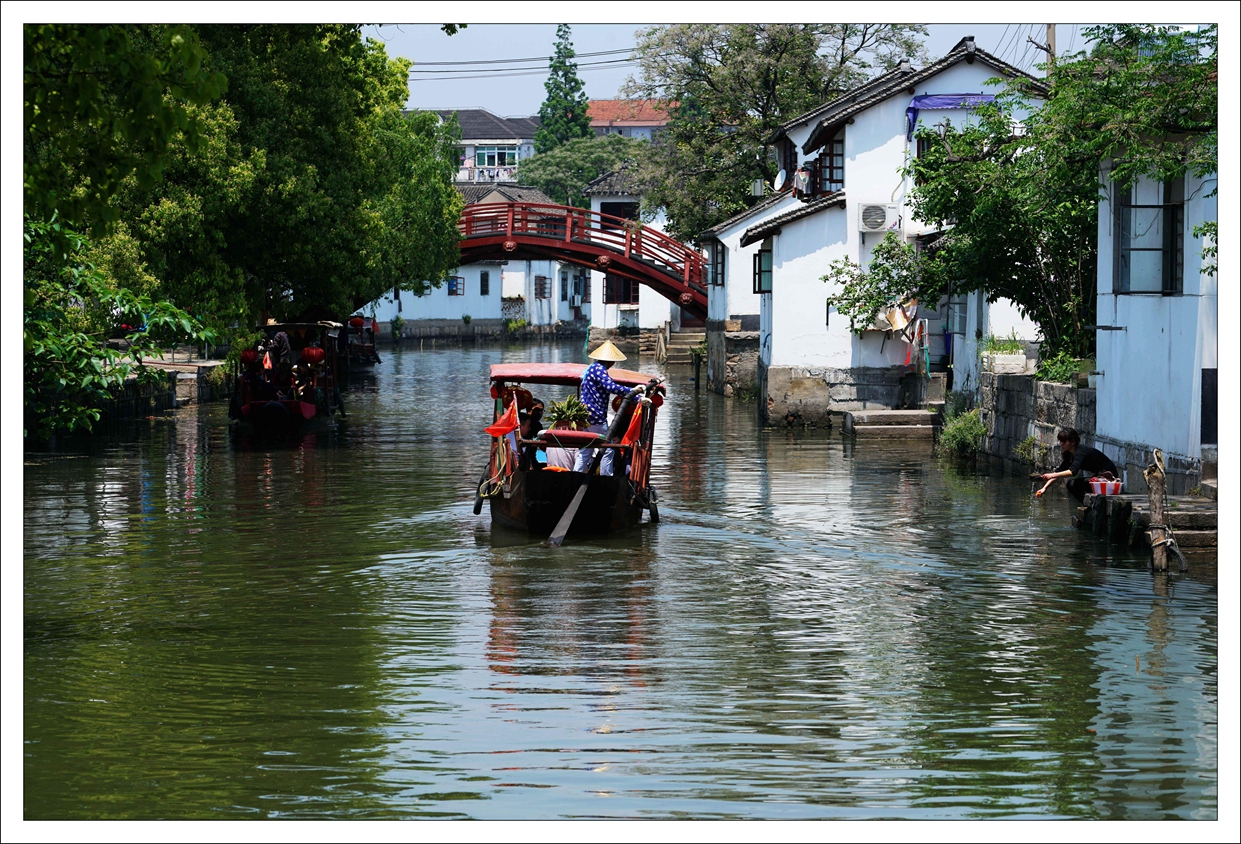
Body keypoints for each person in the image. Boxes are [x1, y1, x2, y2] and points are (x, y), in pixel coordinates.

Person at [573, 341, 642, 476]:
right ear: (610, 361)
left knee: (586, 449)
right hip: (595, 415)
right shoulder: (598, 369)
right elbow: (612, 387)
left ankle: (576, 476)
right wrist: (634, 394)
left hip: (586, 415)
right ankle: (606, 478)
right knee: (608, 448)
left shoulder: (593, 368)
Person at [1036, 427, 1119, 503]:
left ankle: (1089, 505)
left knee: (1072, 484)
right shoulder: (1069, 454)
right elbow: (1058, 472)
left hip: (1109, 478)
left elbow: (1073, 471)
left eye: (1064, 441)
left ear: (1073, 442)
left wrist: (1051, 475)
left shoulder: (1080, 452)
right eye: (1060, 441)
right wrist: (1044, 488)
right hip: (1100, 478)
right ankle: (1089, 505)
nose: (1061, 444)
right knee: (1072, 485)